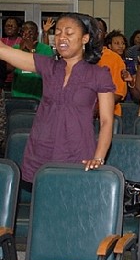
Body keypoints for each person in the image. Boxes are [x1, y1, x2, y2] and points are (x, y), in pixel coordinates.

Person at [0, 13, 115, 186]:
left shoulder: (99, 74)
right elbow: (4, 51)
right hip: (42, 149)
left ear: (85, 38)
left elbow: (106, 121)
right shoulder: (49, 66)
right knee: (43, 207)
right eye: (58, 32)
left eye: (69, 33)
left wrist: (98, 158)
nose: (61, 37)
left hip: (78, 152)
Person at [10, 20, 54, 100]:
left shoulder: (45, 49)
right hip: (17, 95)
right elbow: (8, 69)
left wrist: (32, 50)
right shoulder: (16, 48)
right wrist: (20, 50)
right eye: (24, 33)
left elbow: (48, 71)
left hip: (38, 97)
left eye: (30, 33)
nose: (26, 36)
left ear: (36, 34)